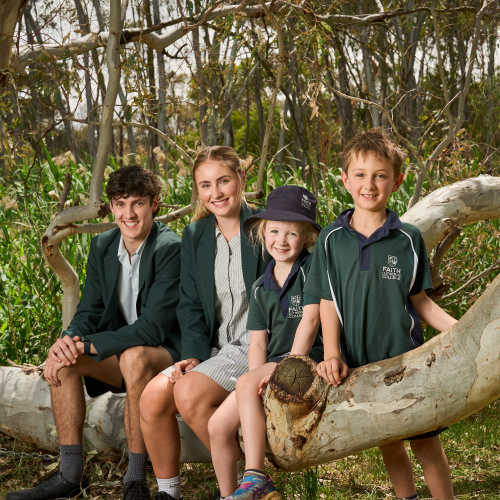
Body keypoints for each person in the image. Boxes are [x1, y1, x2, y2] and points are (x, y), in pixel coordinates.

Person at [7, 165, 182, 500]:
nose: (128, 214)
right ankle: (71, 475)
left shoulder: (169, 247)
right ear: (112, 207)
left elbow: (153, 327)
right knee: (65, 362)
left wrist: (87, 345)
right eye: (120, 203)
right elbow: (88, 310)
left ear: (155, 204)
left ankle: (135, 479)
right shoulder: (103, 245)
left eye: (138, 203)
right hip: (123, 352)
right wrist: (66, 342)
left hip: (166, 354)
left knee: (133, 357)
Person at [301, 128, 456, 500]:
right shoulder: (330, 240)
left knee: (425, 445)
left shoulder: (408, 239)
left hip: (406, 361)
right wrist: (333, 354)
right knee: (387, 441)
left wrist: (460, 329)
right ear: (345, 179)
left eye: (380, 175)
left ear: (397, 181)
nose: (369, 184)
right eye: (360, 174)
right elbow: (327, 301)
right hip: (360, 368)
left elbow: (420, 301)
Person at [139, 146, 270, 500]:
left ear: (241, 179)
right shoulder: (195, 236)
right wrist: (194, 355)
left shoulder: (265, 228)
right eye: (206, 185)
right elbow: (191, 306)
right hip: (215, 348)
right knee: (152, 398)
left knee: (189, 393)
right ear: (197, 191)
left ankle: (246, 484)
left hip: (257, 345)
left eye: (224, 181)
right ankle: (170, 493)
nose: (216, 193)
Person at [208, 186, 324, 500]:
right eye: (274, 231)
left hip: (306, 361)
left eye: (292, 233)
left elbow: (312, 321)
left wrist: (283, 369)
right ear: (262, 233)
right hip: (273, 366)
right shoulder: (261, 287)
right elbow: (258, 343)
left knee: (247, 383)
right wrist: (257, 381)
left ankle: (255, 476)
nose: (281, 240)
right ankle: (230, 495)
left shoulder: (312, 270)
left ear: (307, 237)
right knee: (217, 426)